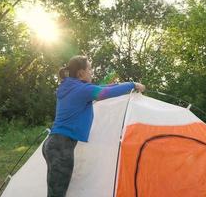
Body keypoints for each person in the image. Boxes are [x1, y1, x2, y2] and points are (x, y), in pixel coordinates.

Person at [42, 55, 145, 197]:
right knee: (57, 194)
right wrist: (132, 85)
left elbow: (102, 88)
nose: (92, 72)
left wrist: (123, 84)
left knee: (55, 191)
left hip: (53, 144)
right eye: (89, 69)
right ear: (80, 73)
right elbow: (105, 92)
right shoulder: (82, 90)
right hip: (61, 146)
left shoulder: (72, 86)